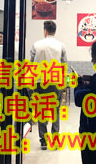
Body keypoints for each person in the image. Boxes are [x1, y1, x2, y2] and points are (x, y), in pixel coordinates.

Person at [29, 20, 67, 150]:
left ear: (45, 31)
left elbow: (32, 65)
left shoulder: (36, 45)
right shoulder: (61, 46)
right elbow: (64, 65)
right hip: (55, 82)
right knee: (55, 111)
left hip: (40, 82)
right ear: (54, 31)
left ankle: (44, 141)